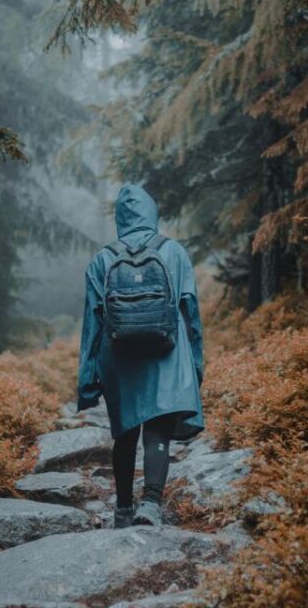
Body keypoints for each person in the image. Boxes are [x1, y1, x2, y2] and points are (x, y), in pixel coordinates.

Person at [77, 184, 205, 527]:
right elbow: (190, 313)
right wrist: (195, 365)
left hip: (119, 358)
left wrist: (87, 381)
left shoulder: (102, 258)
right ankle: (150, 504)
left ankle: (122, 510)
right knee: (157, 430)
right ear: (152, 212)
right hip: (168, 352)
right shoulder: (174, 251)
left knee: (125, 433)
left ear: (120, 219)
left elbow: (92, 324)